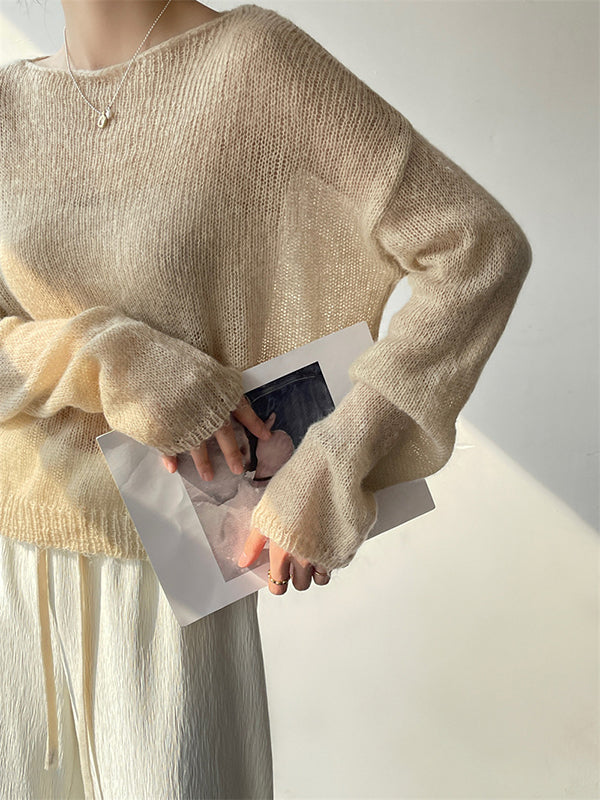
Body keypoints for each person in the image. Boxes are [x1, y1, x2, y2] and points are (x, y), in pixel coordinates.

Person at [0, 0, 533, 797]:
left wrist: (331, 460)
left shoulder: (255, 62)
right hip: (8, 564)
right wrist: (110, 355)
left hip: (171, 577)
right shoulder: (8, 105)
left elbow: (477, 247)